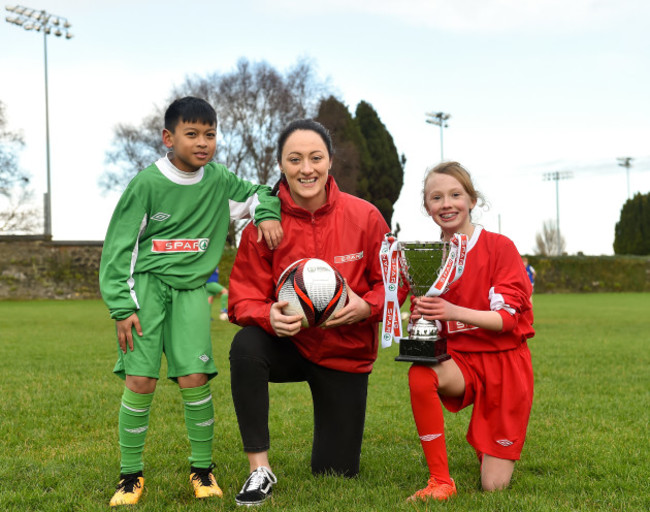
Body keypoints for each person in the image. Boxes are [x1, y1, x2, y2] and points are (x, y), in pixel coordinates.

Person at [99, 96, 283, 507]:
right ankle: (130, 477)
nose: (203, 142)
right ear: (169, 137)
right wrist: (121, 306)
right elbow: (119, 248)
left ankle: (202, 470)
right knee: (140, 380)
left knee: (194, 379)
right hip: (145, 291)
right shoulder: (146, 184)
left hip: (190, 294)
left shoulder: (218, 180)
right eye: (193, 134)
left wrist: (267, 213)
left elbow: (260, 194)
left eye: (211, 134)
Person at [227, 119, 406, 507]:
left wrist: (366, 306)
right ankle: (259, 468)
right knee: (246, 346)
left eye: (315, 158)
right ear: (281, 165)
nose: (306, 168)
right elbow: (241, 299)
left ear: (330, 161)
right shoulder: (262, 226)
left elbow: (393, 285)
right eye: (295, 159)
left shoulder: (365, 216)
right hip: (288, 344)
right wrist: (267, 315)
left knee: (335, 472)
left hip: (345, 352)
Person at [405, 161, 534, 502]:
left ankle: (489, 446)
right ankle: (440, 481)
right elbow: (432, 314)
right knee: (421, 373)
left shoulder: (499, 247)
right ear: (427, 207)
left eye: (455, 195)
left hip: (504, 364)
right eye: (436, 197)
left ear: (472, 200)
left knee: (493, 486)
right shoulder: (429, 257)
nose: (446, 204)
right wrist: (419, 319)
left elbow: (505, 319)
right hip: (462, 362)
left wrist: (452, 311)